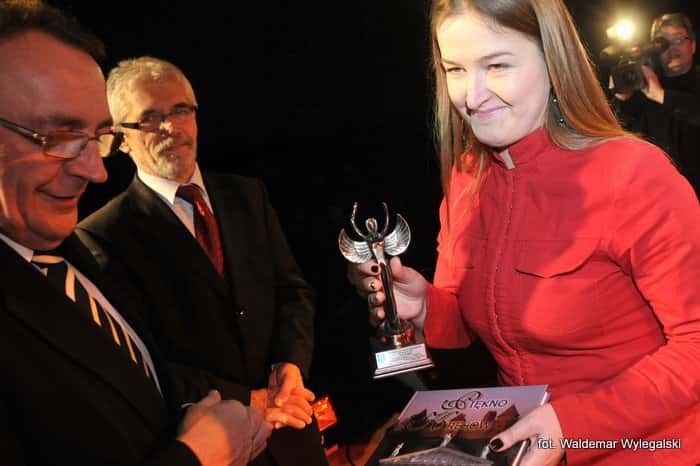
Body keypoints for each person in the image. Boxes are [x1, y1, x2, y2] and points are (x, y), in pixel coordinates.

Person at [347, 0, 700, 465]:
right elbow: (470, 323)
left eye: (497, 65)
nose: (471, 97)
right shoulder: (467, 178)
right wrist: (424, 306)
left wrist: (570, 426)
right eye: (455, 69)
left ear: (553, 61)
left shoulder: (634, 174)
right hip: (517, 446)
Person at [0, 1, 278, 465]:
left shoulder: (70, 255)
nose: (95, 172)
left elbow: (137, 390)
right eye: (59, 137)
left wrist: (222, 412)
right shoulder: (103, 235)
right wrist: (199, 456)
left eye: (97, 138)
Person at [76, 56, 327, 465]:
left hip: (292, 429)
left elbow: (293, 292)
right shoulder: (103, 235)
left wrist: (291, 366)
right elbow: (144, 362)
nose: (170, 127)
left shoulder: (248, 195)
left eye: (180, 110)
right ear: (120, 138)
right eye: (150, 118)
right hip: (210, 446)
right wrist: (250, 399)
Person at [611, 12, 700, 196]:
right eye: (662, 44)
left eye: (678, 40)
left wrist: (662, 95)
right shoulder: (645, 90)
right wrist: (622, 100)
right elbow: (620, 139)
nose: (672, 48)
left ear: (693, 45)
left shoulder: (655, 91)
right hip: (661, 197)